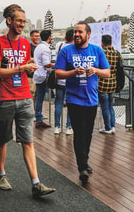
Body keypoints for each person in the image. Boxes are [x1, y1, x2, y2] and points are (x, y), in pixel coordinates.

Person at [0, 4, 55, 197]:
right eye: (19, 21)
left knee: (28, 141)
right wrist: (21, 69)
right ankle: (1, 175)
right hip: (4, 98)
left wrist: (30, 68)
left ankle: (36, 183)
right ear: (9, 21)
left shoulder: (26, 44)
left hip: (25, 96)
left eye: (24, 22)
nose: (22, 25)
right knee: (3, 139)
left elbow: (26, 65)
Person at [54, 22, 110, 183]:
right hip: (74, 99)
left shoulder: (97, 50)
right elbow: (57, 74)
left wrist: (96, 70)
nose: (76, 35)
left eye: (80, 32)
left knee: (88, 133)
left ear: (88, 34)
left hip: (92, 99)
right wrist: (73, 72)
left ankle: (84, 160)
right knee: (79, 133)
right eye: (75, 32)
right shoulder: (66, 51)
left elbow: (107, 72)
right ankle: (82, 167)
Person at [98, 34, 122, 134]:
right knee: (110, 106)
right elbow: (120, 68)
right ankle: (112, 127)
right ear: (111, 42)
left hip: (103, 83)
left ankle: (107, 128)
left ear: (102, 43)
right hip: (113, 83)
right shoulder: (117, 53)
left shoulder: (102, 53)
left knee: (104, 107)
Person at [53, 29, 74, 135]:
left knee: (58, 103)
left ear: (65, 38)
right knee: (71, 104)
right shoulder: (74, 49)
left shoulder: (59, 45)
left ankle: (57, 126)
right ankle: (69, 127)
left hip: (60, 78)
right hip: (71, 79)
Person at [33, 30, 54, 128]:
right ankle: (39, 119)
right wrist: (56, 64)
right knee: (41, 98)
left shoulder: (38, 47)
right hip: (43, 76)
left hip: (37, 74)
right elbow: (46, 64)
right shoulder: (45, 49)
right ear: (49, 37)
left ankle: (38, 118)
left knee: (39, 98)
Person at [28, 30, 40, 104]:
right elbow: (27, 59)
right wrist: (38, 59)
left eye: (38, 36)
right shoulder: (29, 46)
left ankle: (35, 112)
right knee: (31, 94)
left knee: (37, 95)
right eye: (36, 36)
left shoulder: (39, 47)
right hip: (30, 75)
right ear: (31, 37)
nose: (37, 38)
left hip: (38, 75)